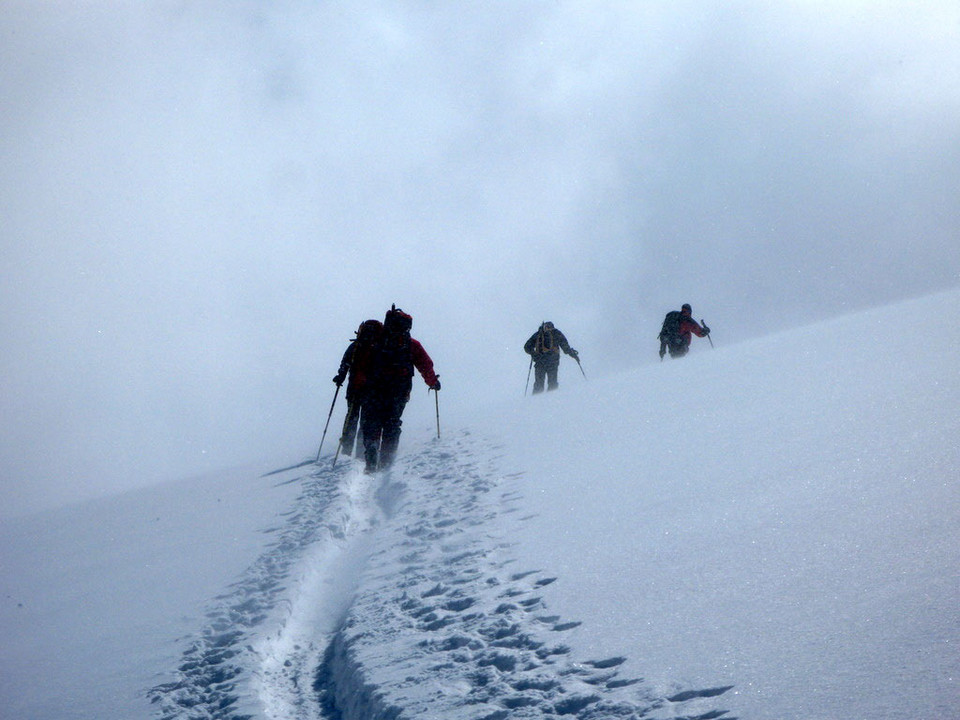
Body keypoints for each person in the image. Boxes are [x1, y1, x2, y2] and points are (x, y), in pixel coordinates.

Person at [359, 305, 440, 473]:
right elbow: (425, 364)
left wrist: (360, 384)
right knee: (392, 422)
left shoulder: (378, 340)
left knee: (372, 420)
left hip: (375, 387)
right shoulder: (411, 344)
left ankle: (372, 448)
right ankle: (387, 459)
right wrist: (432, 382)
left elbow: (363, 364)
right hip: (399, 389)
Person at [332, 319, 383, 457]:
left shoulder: (355, 346)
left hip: (355, 388)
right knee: (365, 421)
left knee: (351, 418)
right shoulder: (378, 347)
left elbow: (345, 363)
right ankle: (361, 452)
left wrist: (340, 377)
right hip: (371, 390)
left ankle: (346, 450)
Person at [524, 321, 579, 394]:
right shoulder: (556, 333)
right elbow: (565, 348)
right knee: (552, 383)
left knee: (539, 384)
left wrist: (533, 354)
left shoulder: (538, 334)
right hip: (553, 362)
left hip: (540, 362)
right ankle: (552, 401)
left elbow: (527, 347)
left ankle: (535, 402)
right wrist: (573, 354)